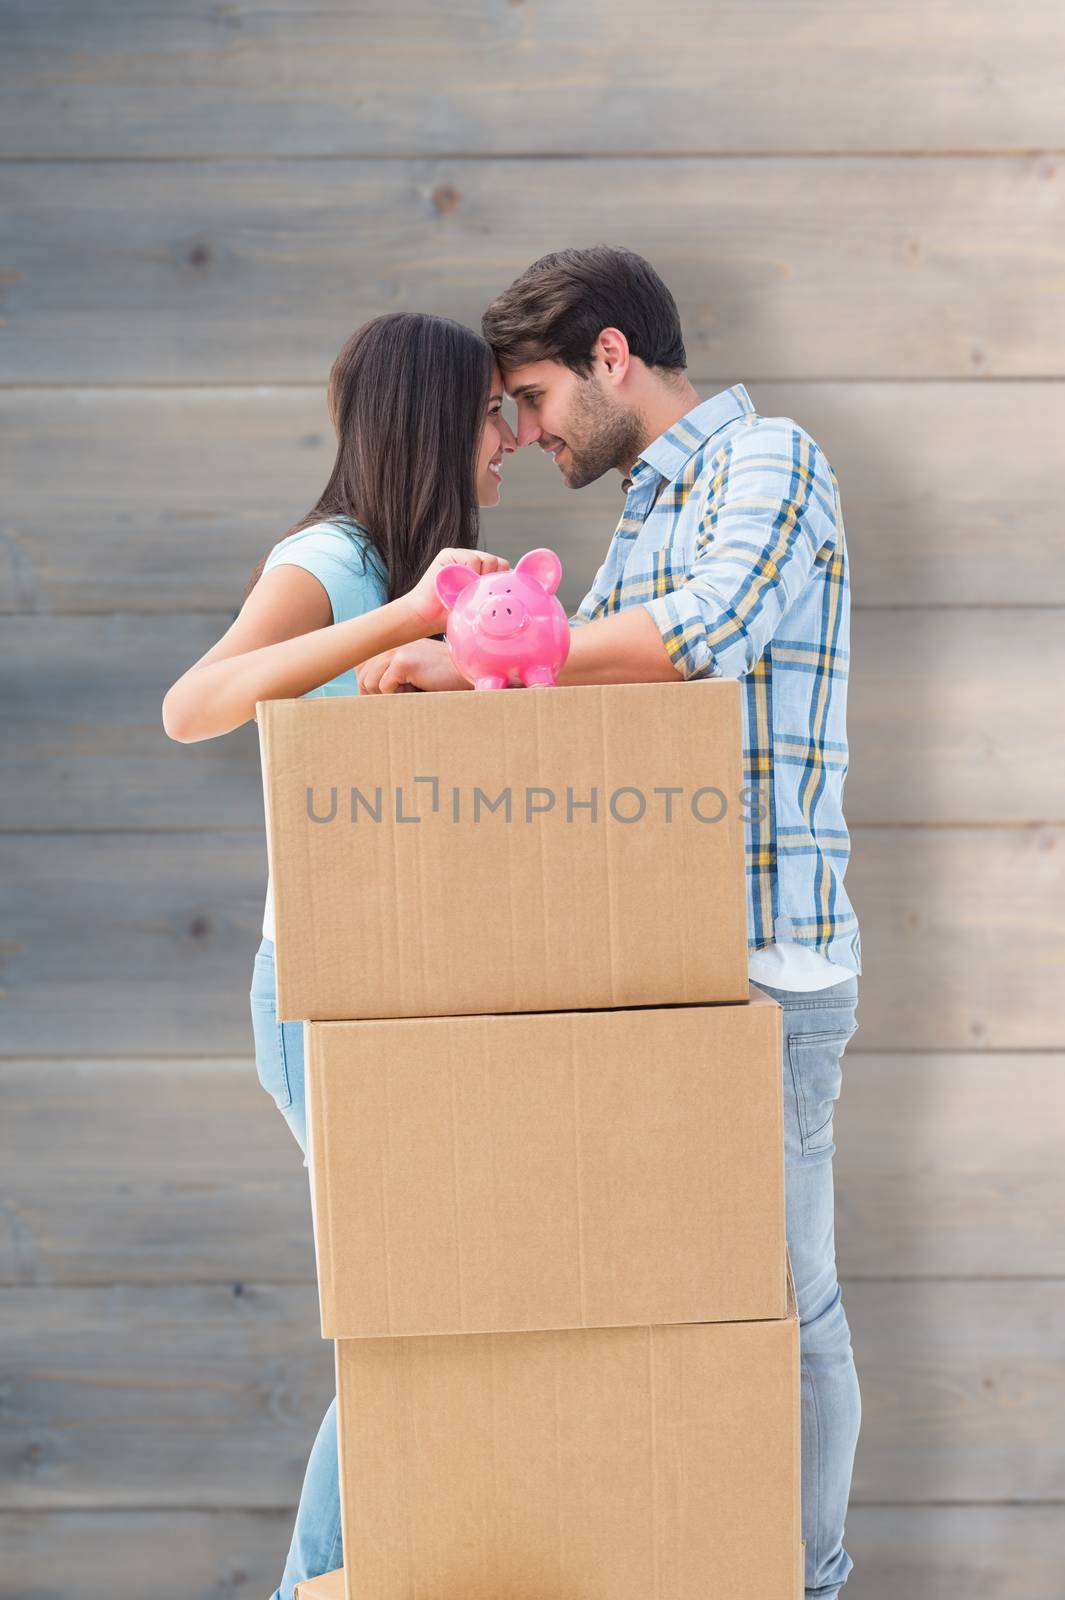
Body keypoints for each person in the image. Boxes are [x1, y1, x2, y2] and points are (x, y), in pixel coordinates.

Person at [359, 247, 863, 1600]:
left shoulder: (770, 459)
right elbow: (576, 698)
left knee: (780, 1293)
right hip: (660, 955)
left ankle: (807, 1578)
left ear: (611, 357)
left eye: (530, 397)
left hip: (763, 955)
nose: (523, 434)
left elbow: (709, 633)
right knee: (661, 1291)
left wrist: (474, 664)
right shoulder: (646, 508)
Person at [161, 310, 516, 1600]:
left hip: (418, 990)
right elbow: (193, 704)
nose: (514, 439)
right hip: (322, 992)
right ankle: (321, 1581)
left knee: (437, 1306)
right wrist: (398, 620)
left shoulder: (435, 572)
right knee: (404, 1313)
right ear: (431, 420)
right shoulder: (334, 561)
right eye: (492, 414)